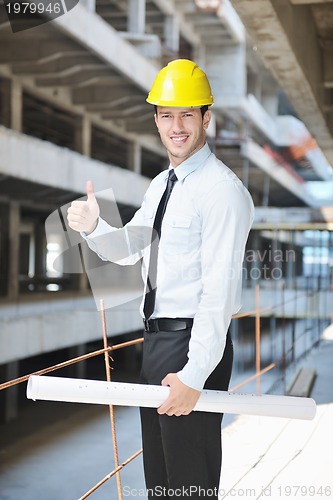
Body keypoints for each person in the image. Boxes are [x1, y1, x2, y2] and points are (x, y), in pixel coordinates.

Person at [67, 59, 254, 499]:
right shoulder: (162, 185)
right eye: (167, 115)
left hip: (192, 347)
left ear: (206, 118)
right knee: (162, 487)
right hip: (157, 344)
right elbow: (128, 247)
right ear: (156, 120)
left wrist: (194, 375)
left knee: (190, 485)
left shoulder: (221, 191)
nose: (177, 126)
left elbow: (219, 293)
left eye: (187, 114)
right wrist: (95, 226)